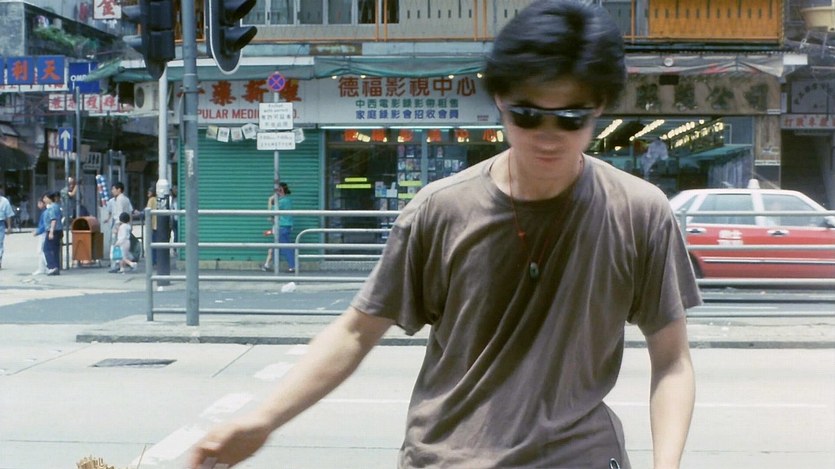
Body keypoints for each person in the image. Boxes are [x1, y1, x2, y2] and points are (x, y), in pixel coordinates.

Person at [189, 2, 699, 468]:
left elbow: (672, 360)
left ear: (599, 108)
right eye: (527, 114)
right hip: (448, 458)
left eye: (569, 117)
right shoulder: (441, 210)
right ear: (499, 99)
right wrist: (263, 420)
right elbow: (356, 332)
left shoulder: (640, 212)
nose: (547, 134)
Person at [261, 182, 296, 273]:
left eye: (277, 190)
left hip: (282, 227)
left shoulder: (282, 202)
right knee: (276, 247)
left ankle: (293, 266)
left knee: (285, 247)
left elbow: (270, 213)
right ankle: (267, 265)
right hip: (285, 227)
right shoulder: (287, 200)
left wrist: (270, 200)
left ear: (281, 190)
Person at [105, 182, 134, 272]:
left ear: (119, 190)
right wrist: (130, 224)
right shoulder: (126, 199)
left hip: (119, 224)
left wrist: (117, 226)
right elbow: (130, 212)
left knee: (115, 246)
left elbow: (119, 214)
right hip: (126, 224)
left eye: (114, 189)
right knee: (124, 247)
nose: (112, 191)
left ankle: (116, 265)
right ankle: (128, 261)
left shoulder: (119, 199)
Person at [42, 191, 63, 276]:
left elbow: (53, 220)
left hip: (53, 230)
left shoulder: (51, 208)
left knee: (46, 249)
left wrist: (51, 232)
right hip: (59, 230)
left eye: (45, 198)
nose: (44, 199)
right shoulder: (57, 206)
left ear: (49, 198)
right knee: (55, 250)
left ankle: (52, 267)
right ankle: (56, 266)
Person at [32, 198, 49, 275]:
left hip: (43, 233)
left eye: (40, 203)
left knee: (41, 250)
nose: (38, 205)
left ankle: (46, 267)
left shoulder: (44, 213)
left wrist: (38, 232)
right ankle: (42, 268)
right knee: (41, 251)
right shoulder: (44, 212)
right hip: (43, 233)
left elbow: (44, 225)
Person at [0, 184, 13, 269]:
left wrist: (9, 227)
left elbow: (8, 215)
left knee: (0, 243)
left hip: (1, 223)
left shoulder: (5, 201)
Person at [145, 185, 158, 266]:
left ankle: (153, 260)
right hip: (160, 224)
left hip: (154, 225)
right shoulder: (157, 199)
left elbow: (148, 211)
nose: (148, 193)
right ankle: (157, 259)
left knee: (153, 243)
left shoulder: (151, 200)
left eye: (149, 192)